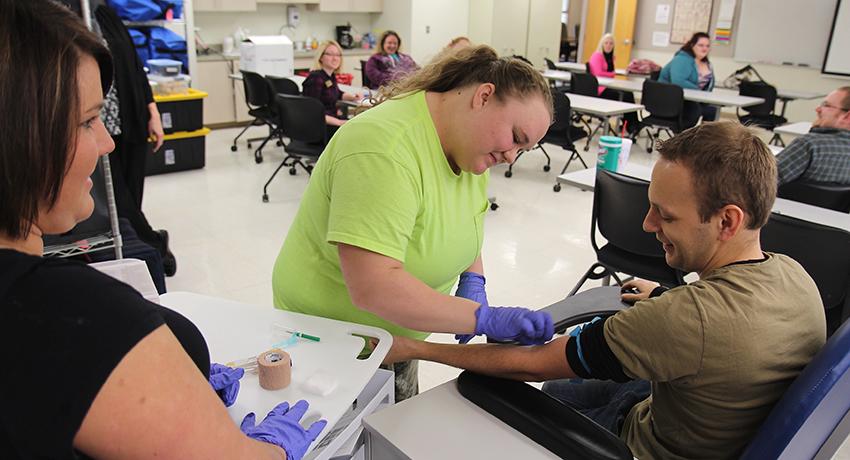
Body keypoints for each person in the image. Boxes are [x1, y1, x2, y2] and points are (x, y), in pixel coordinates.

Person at [382, 122, 826, 458]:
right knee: (570, 388)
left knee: (530, 392)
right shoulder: (794, 275)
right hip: (695, 411)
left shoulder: (687, 320)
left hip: (642, 445)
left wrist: (418, 350)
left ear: (728, 220)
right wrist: (661, 297)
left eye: (666, 215)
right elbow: (717, 331)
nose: (648, 225)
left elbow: (533, 363)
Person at [0, 1, 324, 458]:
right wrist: (268, 448)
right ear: (22, 138)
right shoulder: (62, 316)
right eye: (89, 121)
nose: (109, 142)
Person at [272, 45, 555, 401]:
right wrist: (481, 317)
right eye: (516, 138)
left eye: (524, 150)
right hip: (330, 338)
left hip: (398, 337)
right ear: (483, 96)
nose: (512, 156)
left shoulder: (469, 145)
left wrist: (473, 277)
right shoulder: (383, 149)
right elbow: (374, 288)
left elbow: (464, 217)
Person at [61, 0, 177, 276]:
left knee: (132, 197)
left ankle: (143, 246)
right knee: (118, 205)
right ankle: (152, 246)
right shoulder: (59, 16)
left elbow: (134, 66)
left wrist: (152, 111)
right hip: (90, 130)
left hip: (128, 121)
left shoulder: (105, 14)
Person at [776, 86, 850, 185]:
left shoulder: (809, 144)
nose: (818, 109)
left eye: (826, 105)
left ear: (847, 116)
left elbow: (759, 182)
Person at [301, 40, 363, 139]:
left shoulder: (329, 76)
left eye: (338, 55)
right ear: (321, 57)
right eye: (330, 54)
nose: (335, 58)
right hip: (319, 128)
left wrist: (352, 97)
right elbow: (312, 111)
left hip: (330, 121)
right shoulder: (316, 79)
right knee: (358, 132)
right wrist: (338, 122)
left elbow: (337, 93)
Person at [659, 32, 716, 128]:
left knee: (711, 110)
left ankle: (704, 137)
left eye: (707, 46)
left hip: (693, 100)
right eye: (701, 45)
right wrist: (700, 92)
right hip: (672, 100)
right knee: (694, 110)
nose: (704, 48)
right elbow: (678, 82)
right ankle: (684, 137)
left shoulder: (707, 63)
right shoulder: (682, 59)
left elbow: (709, 85)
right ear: (692, 45)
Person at [587, 33, 638, 134]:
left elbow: (609, 74)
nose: (608, 45)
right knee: (625, 96)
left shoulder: (611, 57)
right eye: (606, 43)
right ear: (602, 44)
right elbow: (598, 73)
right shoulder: (597, 56)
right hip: (599, 90)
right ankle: (631, 126)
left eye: (611, 43)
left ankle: (631, 124)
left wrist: (611, 74)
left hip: (607, 85)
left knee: (628, 94)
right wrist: (612, 73)